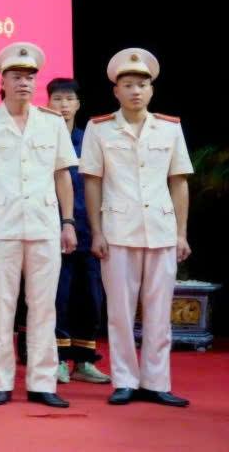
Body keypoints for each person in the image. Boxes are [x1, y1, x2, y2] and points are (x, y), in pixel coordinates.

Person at [0, 42, 78, 408]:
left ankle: (43, 383)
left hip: (44, 224)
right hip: (0, 225)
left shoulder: (52, 121)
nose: (24, 83)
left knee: (44, 306)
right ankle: (1, 380)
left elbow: (63, 175)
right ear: (3, 81)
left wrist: (68, 221)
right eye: (17, 76)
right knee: (1, 306)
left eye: (29, 77)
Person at [81, 48, 193, 407]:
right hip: (118, 228)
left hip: (160, 228)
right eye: (128, 85)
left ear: (151, 90)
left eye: (142, 85)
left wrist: (181, 233)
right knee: (120, 310)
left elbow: (178, 181)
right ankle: (126, 380)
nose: (135, 91)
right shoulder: (100, 129)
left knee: (160, 310)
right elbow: (93, 182)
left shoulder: (170, 128)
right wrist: (96, 230)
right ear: (116, 90)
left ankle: (157, 381)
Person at [45, 77, 110, 385]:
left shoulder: (90, 141)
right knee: (58, 297)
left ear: (78, 105)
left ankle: (84, 361)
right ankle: (56, 359)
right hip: (51, 230)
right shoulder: (42, 139)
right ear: (48, 103)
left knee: (90, 297)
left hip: (88, 230)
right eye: (57, 99)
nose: (63, 105)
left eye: (69, 99)